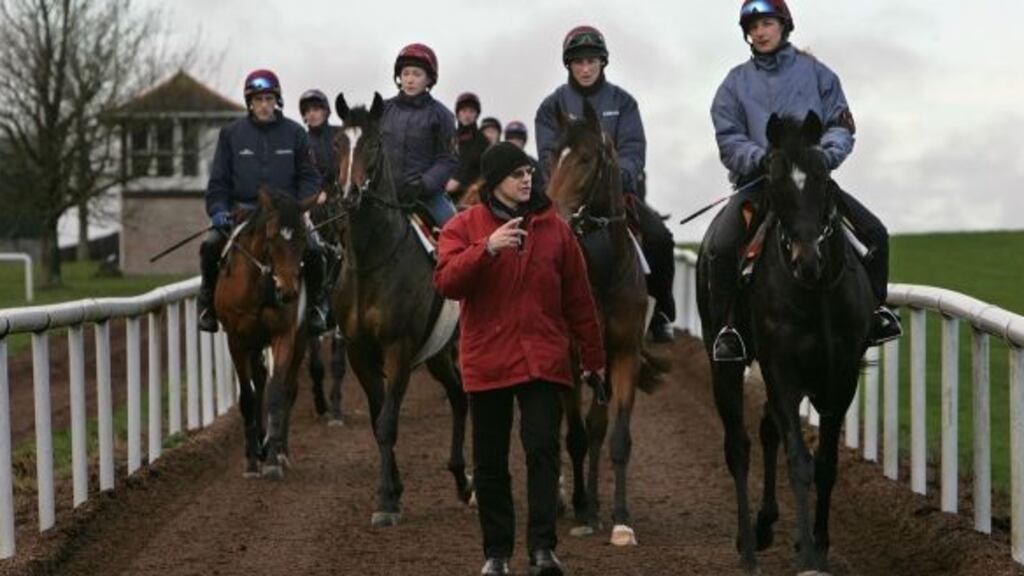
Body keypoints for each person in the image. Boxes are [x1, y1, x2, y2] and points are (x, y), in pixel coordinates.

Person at [434, 142, 605, 576]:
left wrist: (593, 357)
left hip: (542, 359)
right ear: (495, 183)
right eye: (516, 174)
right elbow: (446, 282)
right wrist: (486, 249)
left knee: (544, 451)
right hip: (487, 359)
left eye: (529, 171)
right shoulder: (463, 226)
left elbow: (579, 299)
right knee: (489, 463)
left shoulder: (556, 230)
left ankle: (543, 551)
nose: (527, 179)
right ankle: (496, 554)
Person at [705, 0, 903, 362]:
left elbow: (841, 125)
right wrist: (762, 158)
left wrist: (822, 158)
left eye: (767, 23)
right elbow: (728, 137)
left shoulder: (818, 74)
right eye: (753, 27)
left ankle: (876, 313)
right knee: (721, 248)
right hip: (759, 185)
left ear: (784, 25)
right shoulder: (734, 84)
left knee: (876, 233)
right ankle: (729, 331)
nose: (760, 32)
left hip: (811, 185)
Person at [535, 25, 677, 342]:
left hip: (616, 197)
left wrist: (616, 178)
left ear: (602, 63)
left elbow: (634, 151)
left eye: (592, 61)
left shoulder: (623, 102)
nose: (585, 68)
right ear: (569, 65)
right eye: (578, 62)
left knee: (659, 237)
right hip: (569, 197)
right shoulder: (550, 107)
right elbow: (548, 155)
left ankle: (662, 313)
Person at [198, 69, 327, 334]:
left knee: (315, 251)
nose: (264, 105)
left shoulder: (295, 133)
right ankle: (208, 306)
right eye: (258, 100)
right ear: (250, 103)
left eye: (269, 99)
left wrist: (299, 206)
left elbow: (309, 177)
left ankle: (316, 309)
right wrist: (218, 210)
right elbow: (218, 182)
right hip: (242, 214)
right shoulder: (231, 134)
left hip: (285, 216)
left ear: (276, 101)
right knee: (210, 245)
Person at [381, 43, 459, 229]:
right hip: (384, 195)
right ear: (399, 77)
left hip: (426, 195)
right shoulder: (382, 110)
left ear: (429, 80)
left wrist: (423, 185)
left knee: (456, 231)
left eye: (417, 74)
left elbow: (447, 159)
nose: (410, 79)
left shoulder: (443, 116)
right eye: (406, 73)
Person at [446, 91, 489, 202]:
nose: (467, 115)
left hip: (472, 197)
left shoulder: (483, 141)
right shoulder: (449, 138)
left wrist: (472, 186)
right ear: (458, 114)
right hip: (446, 192)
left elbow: (486, 171)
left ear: (476, 115)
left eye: (471, 111)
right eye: (464, 111)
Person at [503, 120, 546, 196]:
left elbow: (541, 187)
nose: (514, 142)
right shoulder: (498, 162)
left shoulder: (533, 164)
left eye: (518, 139)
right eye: (511, 139)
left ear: (524, 142)